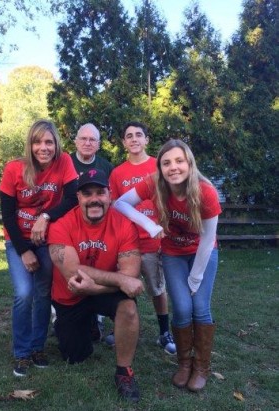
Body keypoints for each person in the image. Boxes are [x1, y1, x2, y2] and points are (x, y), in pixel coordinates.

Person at [114, 138, 222, 392]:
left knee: (200, 307)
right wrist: (150, 225)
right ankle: (184, 364)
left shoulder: (206, 191)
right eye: (166, 163)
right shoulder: (154, 184)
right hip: (173, 252)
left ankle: (202, 367)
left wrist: (195, 278)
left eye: (179, 161)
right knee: (182, 308)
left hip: (202, 253)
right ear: (159, 167)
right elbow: (119, 203)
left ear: (189, 163)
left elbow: (208, 239)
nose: (173, 167)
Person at [48, 169, 144, 402]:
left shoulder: (124, 225)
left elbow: (131, 273)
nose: (94, 199)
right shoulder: (61, 225)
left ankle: (124, 372)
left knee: (128, 308)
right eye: (87, 193)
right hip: (70, 295)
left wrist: (97, 288)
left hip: (100, 291)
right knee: (75, 356)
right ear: (78, 197)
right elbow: (73, 272)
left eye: (100, 192)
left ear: (110, 195)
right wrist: (120, 279)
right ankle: (88, 324)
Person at [0, 119, 78, 377]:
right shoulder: (14, 169)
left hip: (46, 238)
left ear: (56, 144)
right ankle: (21, 353)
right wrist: (24, 250)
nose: (43, 147)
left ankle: (37, 347)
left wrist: (45, 217)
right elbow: (8, 215)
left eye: (48, 142)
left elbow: (71, 198)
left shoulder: (64, 162)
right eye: (37, 142)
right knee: (24, 293)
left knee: (44, 292)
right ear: (29, 144)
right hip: (17, 240)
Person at [107, 121, 176, 354]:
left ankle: (164, 332)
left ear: (147, 139)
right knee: (124, 288)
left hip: (153, 242)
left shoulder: (160, 167)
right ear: (124, 142)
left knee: (157, 289)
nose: (134, 139)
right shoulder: (117, 173)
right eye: (129, 136)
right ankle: (122, 329)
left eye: (139, 135)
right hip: (127, 243)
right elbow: (115, 207)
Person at [71, 123, 114, 341]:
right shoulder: (64, 163)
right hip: (69, 225)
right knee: (69, 269)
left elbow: (112, 197)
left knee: (97, 266)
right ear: (75, 140)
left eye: (93, 140)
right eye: (84, 138)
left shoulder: (106, 166)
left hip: (98, 226)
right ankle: (64, 316)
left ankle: (96, 319)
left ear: (98, 144)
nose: (88, 143)